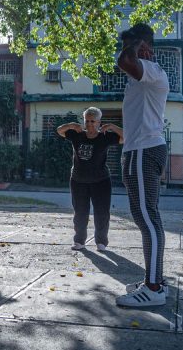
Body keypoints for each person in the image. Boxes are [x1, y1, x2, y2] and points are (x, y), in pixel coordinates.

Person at [114, 23, 170, 308]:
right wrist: (135, 46)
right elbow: (126, 60)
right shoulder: (143, 77)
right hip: (141, 149)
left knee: (147, 219)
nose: (124, 53)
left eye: (131, 46)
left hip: (144, 151)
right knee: (148, 218)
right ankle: (154, 278)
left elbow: (125, 60)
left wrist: (137, 47)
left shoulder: (151, 72)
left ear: (144, 49)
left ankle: (154, 287)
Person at [57, 107, 123, 252]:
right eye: (87, 121)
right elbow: (60, 131)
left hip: (101, 181)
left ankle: (101, 241)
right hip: (78, 180)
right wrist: (71, 125)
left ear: (99, 122)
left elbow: (126, 137)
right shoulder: (77, 135)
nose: (90, 124)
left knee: (102, 213)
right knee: (80, 212)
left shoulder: (105, 137)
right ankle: (79, 241)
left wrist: (112, 126)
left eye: (93, 121)